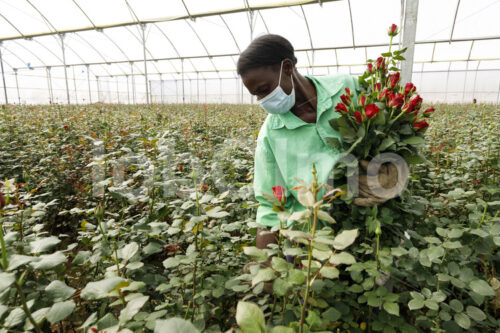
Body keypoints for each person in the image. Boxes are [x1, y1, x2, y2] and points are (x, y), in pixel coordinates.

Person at [237, 34, 399, 249]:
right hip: (314, 243)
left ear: (287, 68)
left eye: (264, 90)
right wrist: (262, 265)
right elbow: (270, 205)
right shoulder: (271, 134)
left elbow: (393, 134)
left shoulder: (347, 88)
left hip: (374, 231)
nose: (262, 101)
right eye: (256, 95)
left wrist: (394, 172)